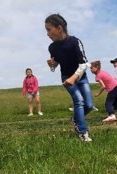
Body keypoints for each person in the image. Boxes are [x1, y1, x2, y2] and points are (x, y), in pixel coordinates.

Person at [45, 13, 93, 142]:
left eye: (49, 29)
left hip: (80, 77)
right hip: (66, 77)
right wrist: (53, 64)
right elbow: (56, 65)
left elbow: (84, 64)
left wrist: (74, 78)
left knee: (89, 105)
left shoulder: (75, 42)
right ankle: (83, 132)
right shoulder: (52, 47)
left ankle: (75, 119)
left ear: (59, 28)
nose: (47, 34)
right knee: (79, 101)